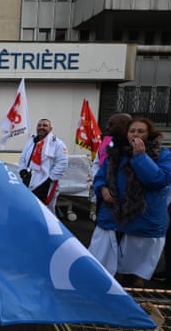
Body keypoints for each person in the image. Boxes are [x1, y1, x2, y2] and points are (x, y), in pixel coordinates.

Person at [89, 117, 171, 287]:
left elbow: (157, 180)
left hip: (142, 222)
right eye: (132, 131)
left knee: (133, 275)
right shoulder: (112, 149)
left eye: (141, 131)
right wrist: (102, 188)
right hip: (112, 219)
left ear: (149, 134)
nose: (135, 134)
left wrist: (140, 157)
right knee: (100, 270)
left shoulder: (163, 154)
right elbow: (99, 174)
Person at [18, 118, 69, 215]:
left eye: (45, 125)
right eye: (39, 125)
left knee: (46, 213)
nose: (41, 127)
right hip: (30, 181)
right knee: (29, 209)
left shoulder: (57, 144)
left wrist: (49, 180)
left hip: (46, 183)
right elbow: (23, 158)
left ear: (50, 128)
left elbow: (62, 163)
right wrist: (23, 171)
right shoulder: (31, 142)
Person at [89, 113, 132, 221]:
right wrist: (102, 186)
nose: (107, 127)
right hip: (104, 196)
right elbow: (98, 165)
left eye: (111, 124)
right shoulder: (106, 142)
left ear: (124, 125)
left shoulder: (135, 145)